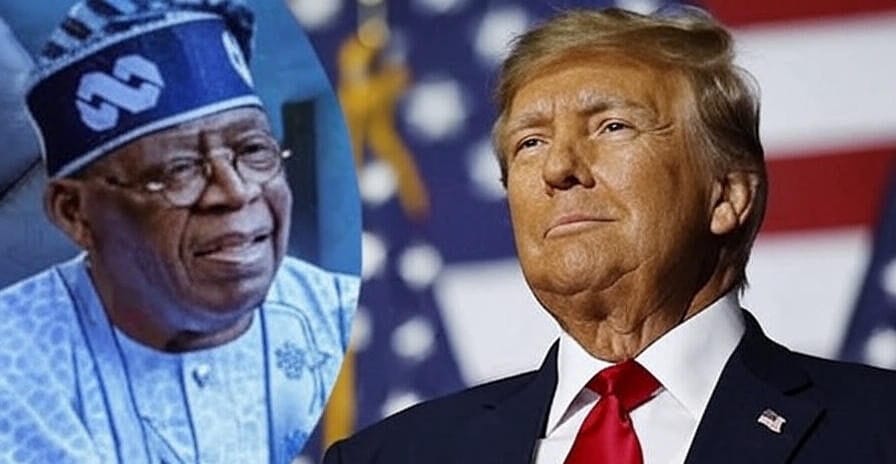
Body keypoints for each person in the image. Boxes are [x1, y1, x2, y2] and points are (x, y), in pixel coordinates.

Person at [323, 6, 896, 464]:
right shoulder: (391, 456)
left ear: (727, 196)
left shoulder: (876, 430)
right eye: (530, 142)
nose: (558, 168)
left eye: (612, 126)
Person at [0, 1, 358, 463]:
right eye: (179, 169)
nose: (236, 192)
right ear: (74, 213)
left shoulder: (343, 319)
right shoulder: (13, 359)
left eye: (253, 151)